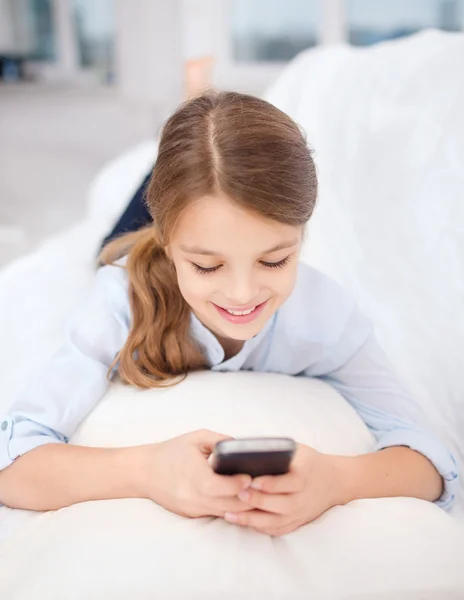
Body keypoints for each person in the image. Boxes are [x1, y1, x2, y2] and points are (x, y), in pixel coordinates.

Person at [0, 91, 457, 538]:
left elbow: (432, 462)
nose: (242, 295)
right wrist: (148, 470)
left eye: (274, 260)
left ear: (302, 236)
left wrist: (336, 481)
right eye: (207, 265)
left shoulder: (328, 318)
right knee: (111, 242)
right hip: (134, 247)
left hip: (172, 226)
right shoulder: (119, 300)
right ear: (171, 247)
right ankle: (192, 103)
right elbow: (13, 463)